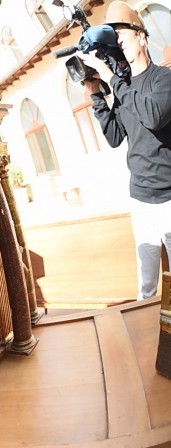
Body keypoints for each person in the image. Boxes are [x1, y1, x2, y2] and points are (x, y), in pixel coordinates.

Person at [82, 1, 171, 299]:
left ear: (141, 36)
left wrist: (112, 80)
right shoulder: (123, 86)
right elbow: (114, 136)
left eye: (122, 36)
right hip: (141, 200)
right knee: (146, 287)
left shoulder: (165, 79)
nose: (117, 43)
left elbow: (153, 115)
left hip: (170, 196)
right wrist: (96, 97)